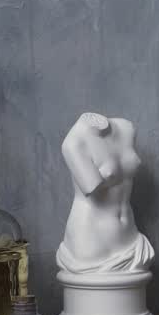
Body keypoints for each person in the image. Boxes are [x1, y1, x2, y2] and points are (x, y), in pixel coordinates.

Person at [57, 112, 153, 274]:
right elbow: (92, 187)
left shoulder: (126, 127)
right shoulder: (73, 144)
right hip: (92, 238)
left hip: (130, 236)